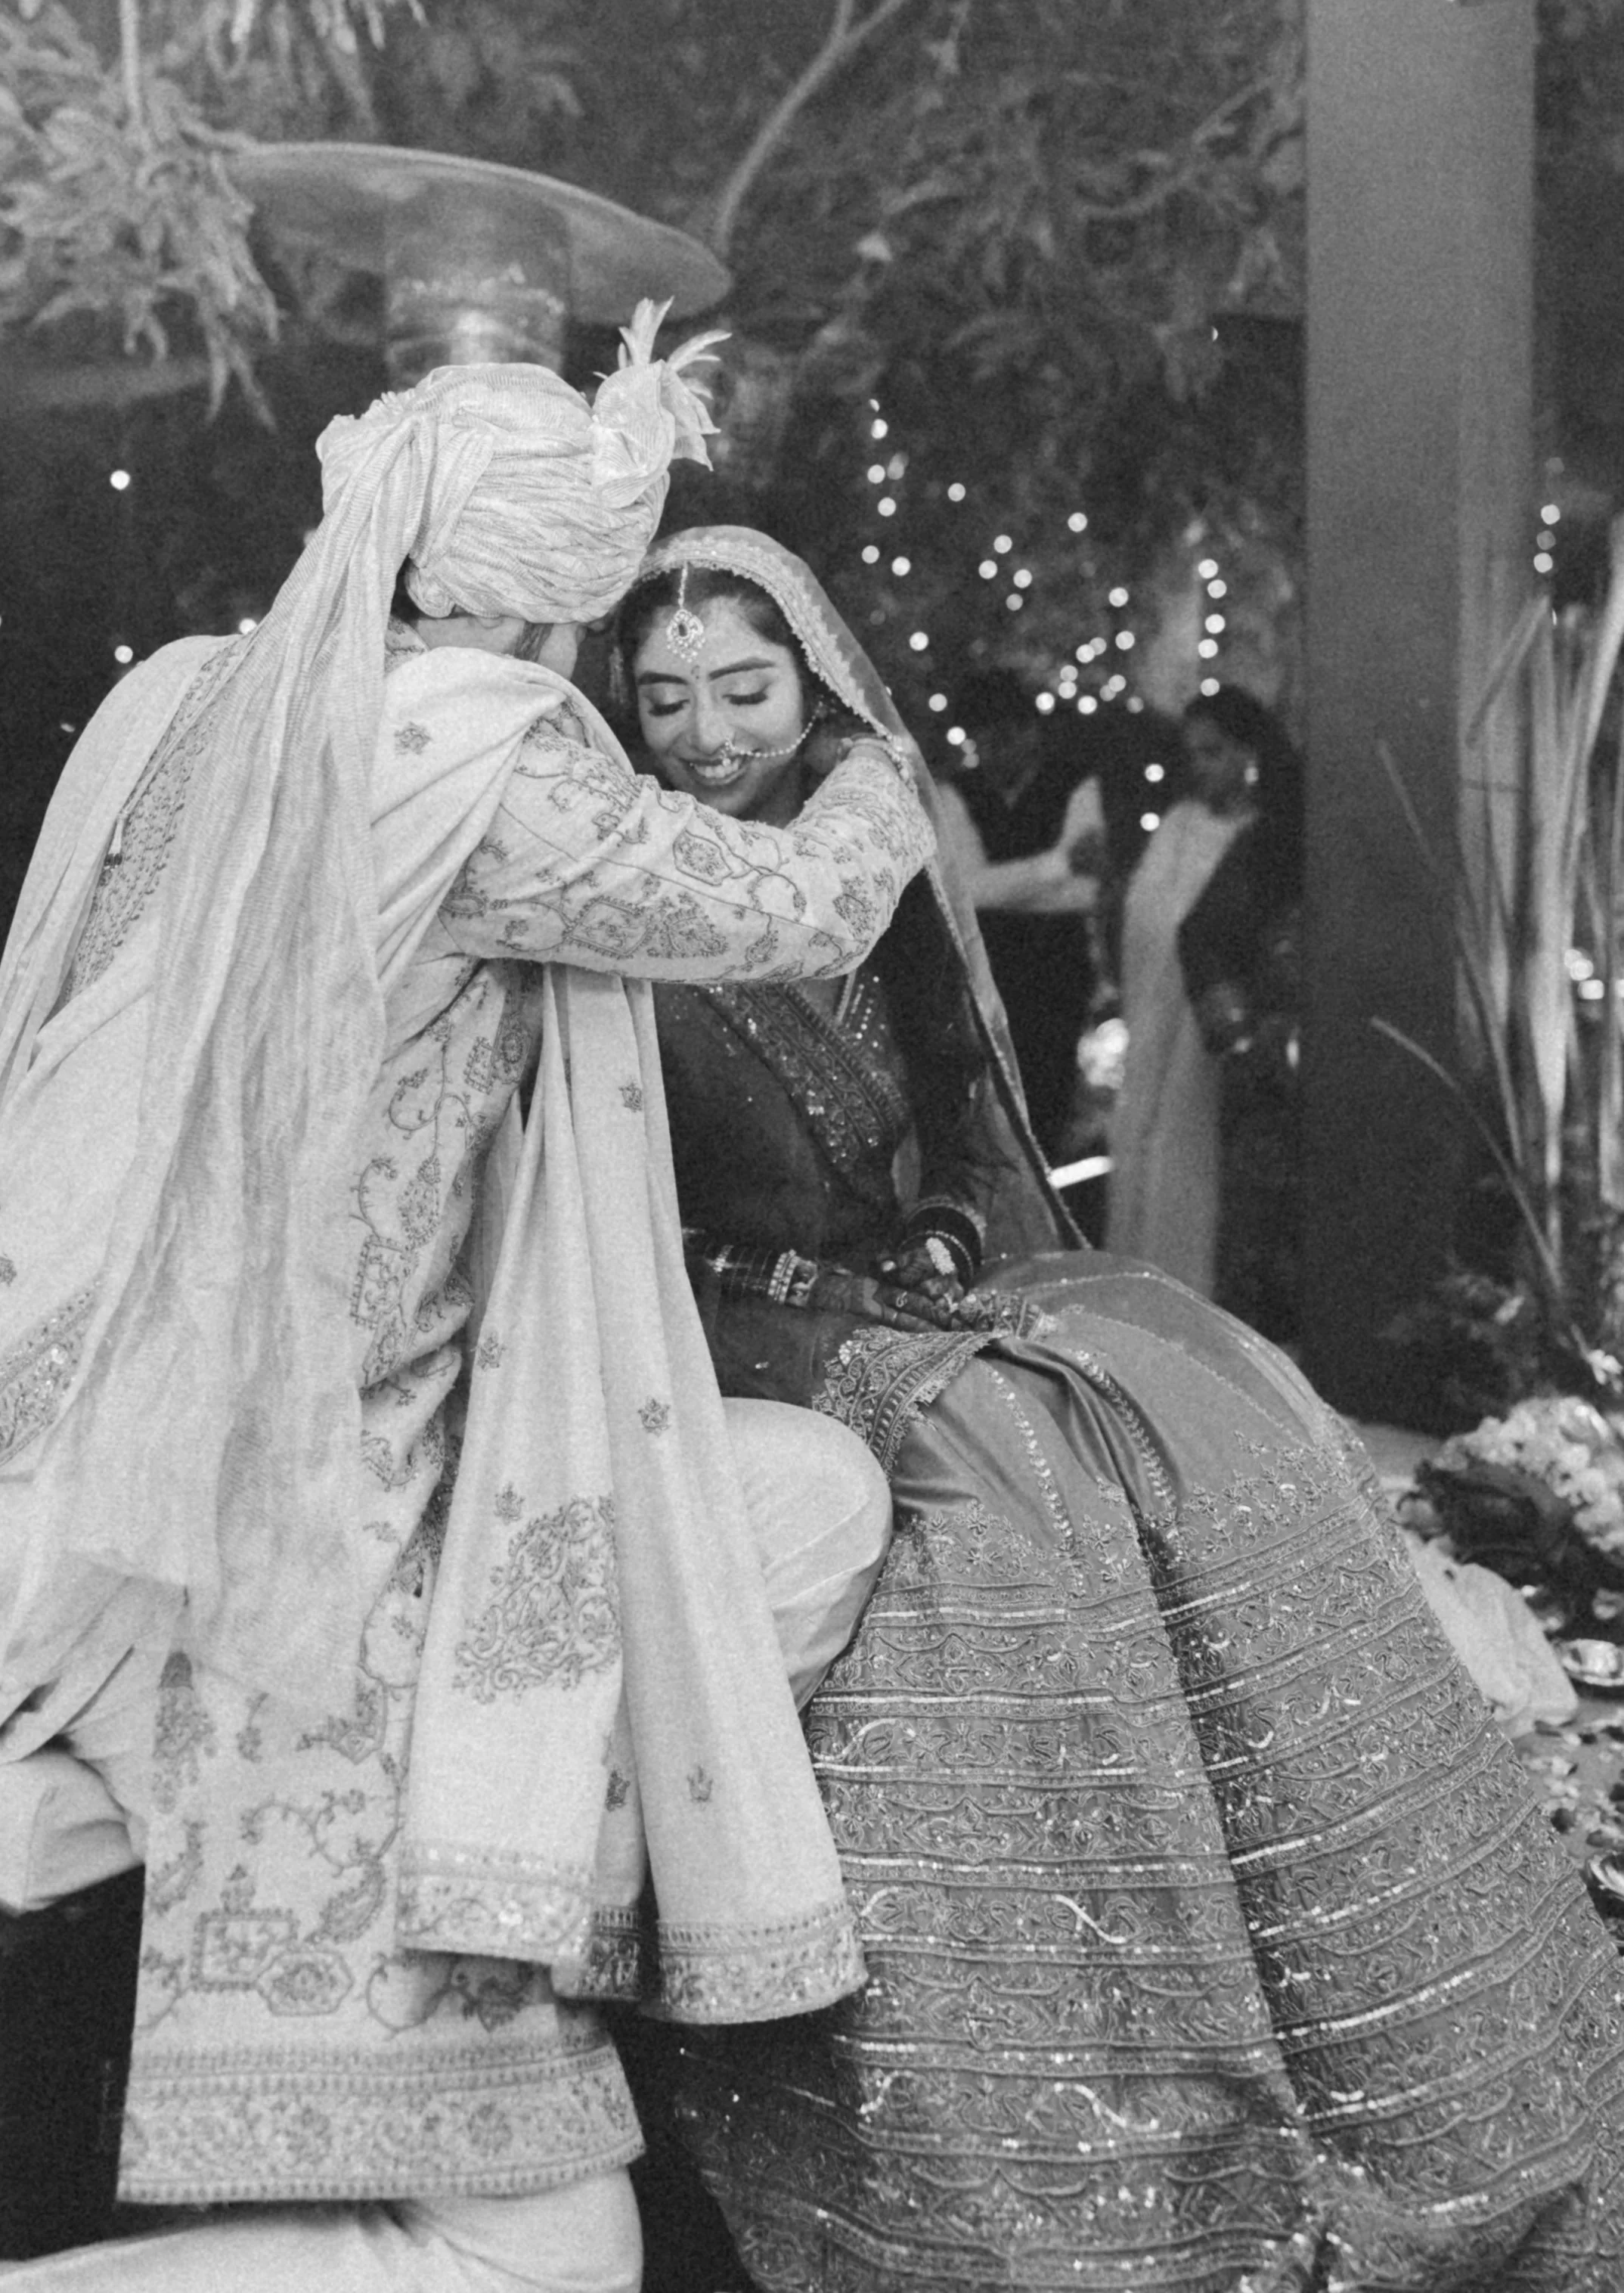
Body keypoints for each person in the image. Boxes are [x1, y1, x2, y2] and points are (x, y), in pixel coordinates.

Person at [0, 330, 939, 2293]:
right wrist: (873, 754)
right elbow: (796, 904)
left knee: (786, 1482)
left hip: (54, 1446)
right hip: (299, 1543)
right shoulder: (484, 759)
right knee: (543, 2248)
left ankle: (553, 1877)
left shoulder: (190, 700)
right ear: (554, 581)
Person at [612, 525, 1624, 2293]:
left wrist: (933, 1222)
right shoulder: (620, 884)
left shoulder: (869, 842)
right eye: (667, 696)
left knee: (1198, 1389)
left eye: (744, 687)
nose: (706, 731)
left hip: (902, 1276)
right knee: (1011, 1477)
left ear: (818, 683)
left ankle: (1327, 2014)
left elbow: (942, 1067)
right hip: (723, 1323)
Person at [1105, 681, 1303, 1313]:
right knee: (1147, 1135)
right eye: (1193, 754)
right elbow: (1145, 916)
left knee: (1194, 1151)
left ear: (1250, 753)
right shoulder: (1179, 823)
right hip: (1159, 1014)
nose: (1200, 767)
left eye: (1214, 752)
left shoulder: (1273, 839)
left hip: (1215, 1023)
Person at [931, 668, 1102, 1159]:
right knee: (987, 1117)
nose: (996, 750)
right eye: (986, 738)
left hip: (1058, 975)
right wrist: (1058, 864)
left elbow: (1082, 894)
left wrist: (1003, 885)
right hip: (987, 977)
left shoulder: (1075, 785)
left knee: (1047, 1113)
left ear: (1031, 732)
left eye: (1008, 735)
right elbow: (966, 890)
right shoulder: (954, 795)